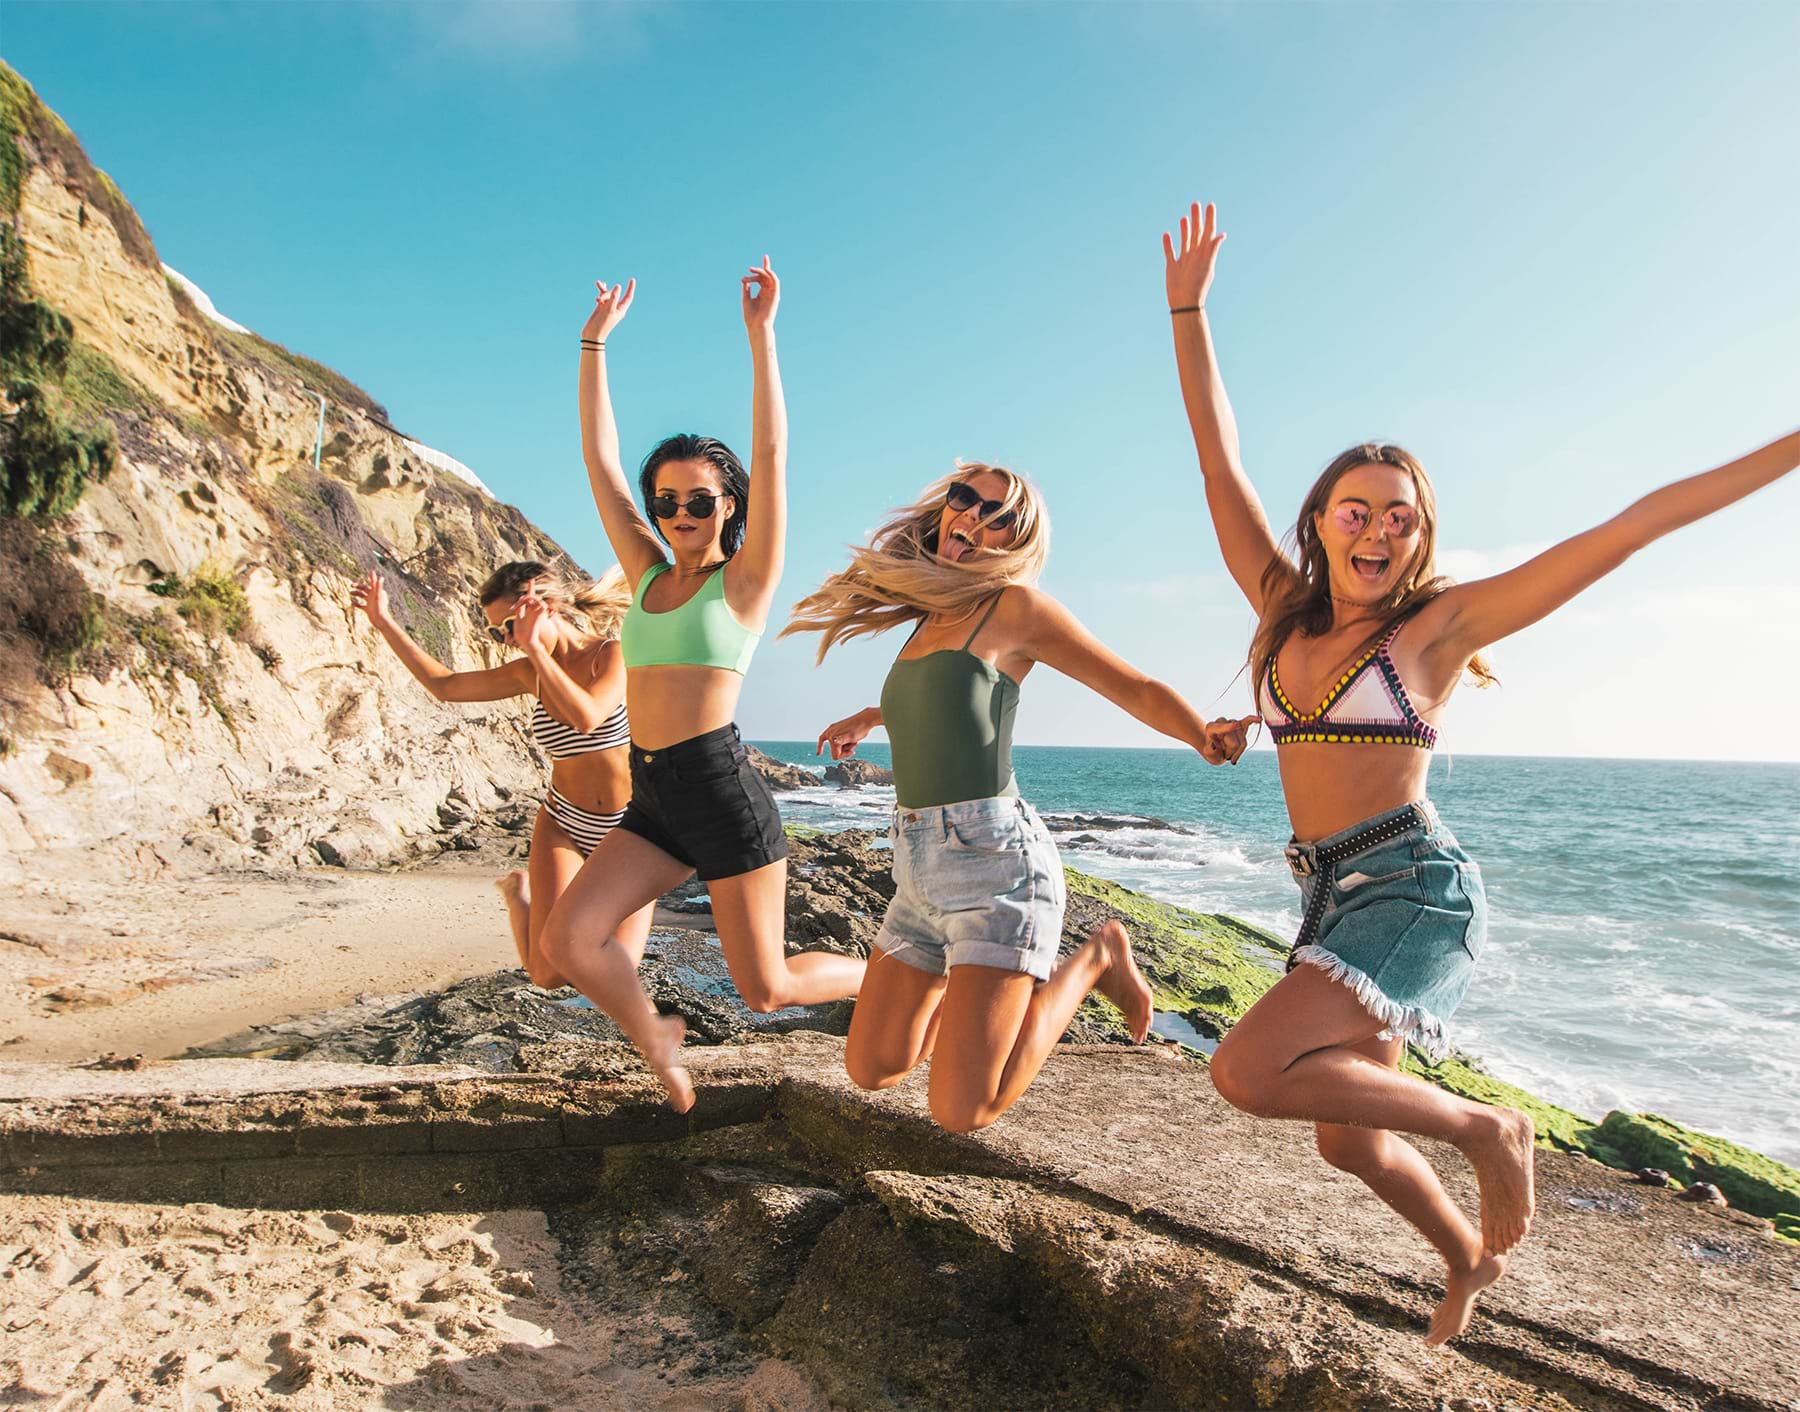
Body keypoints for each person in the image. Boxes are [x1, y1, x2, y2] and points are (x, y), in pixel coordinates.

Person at [1163, 197, 1800, 1343]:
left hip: (1414, 885)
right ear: (1319, 521)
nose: (1377, 530)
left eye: (1399, 518)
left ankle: (1486, 1129)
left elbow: (1632, 524)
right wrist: (1187, 308)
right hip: (1324, 885)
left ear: (1419, 534)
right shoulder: (1277, 608)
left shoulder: (1437, 629)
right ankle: (1465, 1259)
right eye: (1354, 509)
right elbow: (1219, 456)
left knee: (1250, 1071)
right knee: (1347, 1133)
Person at [787, 461, 1255, 1133]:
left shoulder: (1015, 609)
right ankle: (972, 995)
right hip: (916, 867)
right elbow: (951, 700)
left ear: (1012, 541)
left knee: (961, 1109)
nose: (973, 518)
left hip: (996, 866)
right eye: (965, 499)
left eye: (997, 516)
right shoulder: (933, 614)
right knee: (874, 1067)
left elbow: (1135, 686)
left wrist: (1200, 736)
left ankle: (1098, 956)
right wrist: (873, 714)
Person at [537, 260, 865, 1111]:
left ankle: (896, 976)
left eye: (701, 500)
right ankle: (659, 1039)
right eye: (668, 500)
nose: (682, 513)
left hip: (720, 791)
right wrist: (592, 345)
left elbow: (772, 451)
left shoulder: (744, 581)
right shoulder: (645, 575)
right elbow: (600, 463)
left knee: (766, 988)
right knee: (569, 939)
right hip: (654, 795)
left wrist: (761, 339)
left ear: (730, 506)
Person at [350, 562, 649, 988]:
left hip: (629, 828)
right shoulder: (529, 671)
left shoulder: (611, 654)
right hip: (563, 820)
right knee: (546, 975)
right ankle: (516, 896)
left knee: (619, 967)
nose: (506, 639)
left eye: (507, 626)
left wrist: (538, 652)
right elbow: (446, 686)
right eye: (497, 632)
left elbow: (588, 716)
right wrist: (383, 621)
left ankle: (520, 895)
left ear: (537, 603)